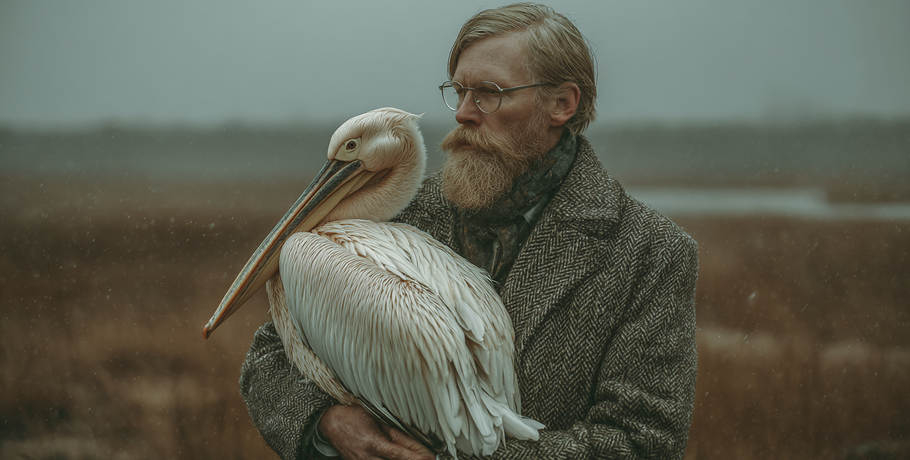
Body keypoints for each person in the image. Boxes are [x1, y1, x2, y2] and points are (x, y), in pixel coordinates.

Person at [239, 3, 698, 459]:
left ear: (562, 104)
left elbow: (642, 442)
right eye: (458, 92)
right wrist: (328, 423)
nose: (463, 113)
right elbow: (272, 358)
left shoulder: (648, 253)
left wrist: (454, 455)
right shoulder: (400, 213)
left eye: (489, 93)